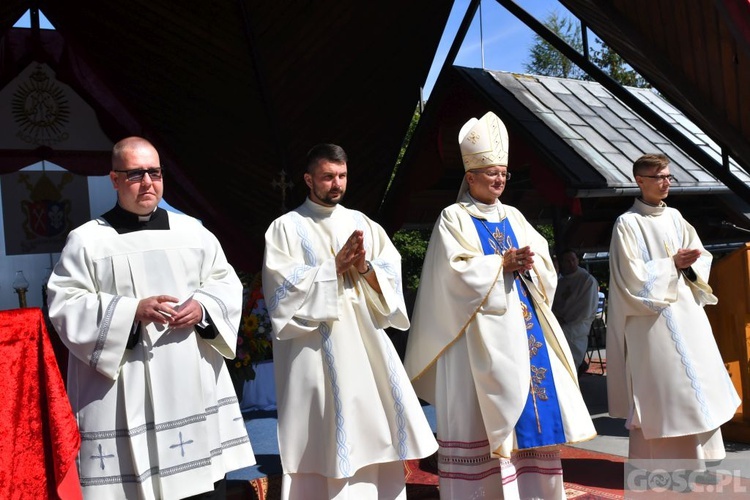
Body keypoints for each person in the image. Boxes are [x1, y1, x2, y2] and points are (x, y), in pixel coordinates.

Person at [47, 136, 255, 499]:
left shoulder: (194, 232)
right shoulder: (87, 241)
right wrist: (130, 311)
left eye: (155, 173)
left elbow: (224, 282)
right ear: (113, 180)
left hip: (189, 379)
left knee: (203, 489)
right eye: (135, 174)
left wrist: (203, 307)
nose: (148, 182)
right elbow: (65, 303)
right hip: (125, 385)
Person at [404, 111, 595, 499]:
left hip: (524, 336)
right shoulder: (453, 218)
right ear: (470, 177)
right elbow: (451, 276)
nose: (500, 179)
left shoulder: (515, 216)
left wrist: (530, 263)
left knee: (533, 419)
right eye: (491, 172)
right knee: (483, 424)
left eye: (504, 173)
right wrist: (499, 264)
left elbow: (543, 262)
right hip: (476, 340)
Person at [262, 143, 438, 499]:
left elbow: (389, 276)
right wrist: (333, 269)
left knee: (374, 432)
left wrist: (364, 267)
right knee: (324, 438)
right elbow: (281, 292)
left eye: (341, 176)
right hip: (313, 354)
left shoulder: (363, 224)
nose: (336, 184)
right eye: (327, 177)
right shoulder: (285, 229)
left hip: (365, 349)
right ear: (309, 179)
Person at [607, 153, 741, 474]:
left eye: (668, 176)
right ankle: (664, 469)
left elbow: (699, 259)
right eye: (659, 177)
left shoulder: (677, 217)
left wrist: (690, 263)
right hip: (650, 321)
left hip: (686, 314)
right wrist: (671, 265)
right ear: (640, 181)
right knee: (666, 392)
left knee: (699, 389)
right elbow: (630, 277)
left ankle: (704, 464)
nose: (666, 182)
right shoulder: (627, 224)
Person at [551, 249, 599, 374]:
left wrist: (564, 319)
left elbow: (585, 308)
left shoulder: (587, 281)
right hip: (560, 322)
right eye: (567, 261)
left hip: (577, 325)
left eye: (573, 260)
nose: (571, 263)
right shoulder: (561, 281)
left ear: (577, 260)